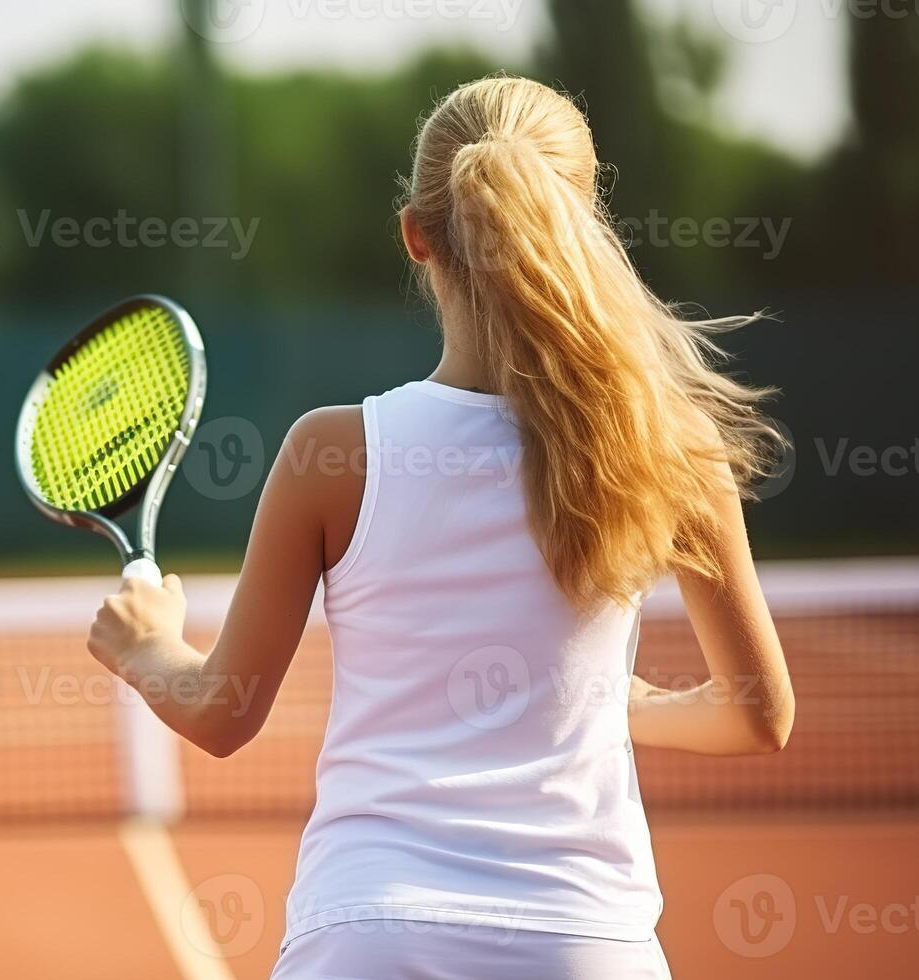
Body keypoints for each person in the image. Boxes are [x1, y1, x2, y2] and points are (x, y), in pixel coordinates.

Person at [87, 75, 795, 978]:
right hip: (587, 946)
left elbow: (221, 714)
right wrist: (607, 702)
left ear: (415, 235)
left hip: (370, 934)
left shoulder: (331, 452)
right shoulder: (670, 450)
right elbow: (757, 716)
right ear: (581, 228)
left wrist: (147, 648)